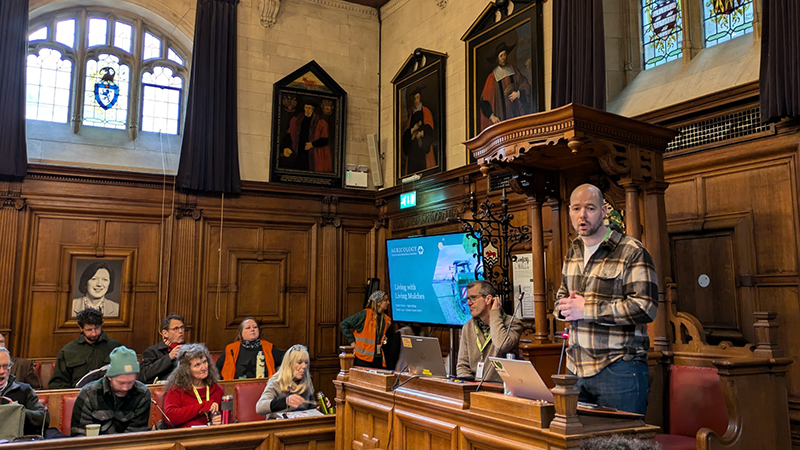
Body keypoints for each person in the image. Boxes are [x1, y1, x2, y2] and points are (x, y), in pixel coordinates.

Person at [555, 184, 658, 415]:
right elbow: (562, 296)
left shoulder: (631, 251)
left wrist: (586, 309)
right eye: (576, 208)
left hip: (619, 367)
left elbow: (646, 308)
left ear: (603, 211)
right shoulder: (573, 251)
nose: (582, 215)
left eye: (590, 208)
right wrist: (563, 308)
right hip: (576, 369)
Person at [70, 346, 151, 436]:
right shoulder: (89, 393)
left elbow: (136, 434)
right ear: (109, 377)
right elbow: (79, 434)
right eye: (121, 383)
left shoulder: (142, 393)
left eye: (130, 382)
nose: (125, 388)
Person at [456, 280, 524, 382]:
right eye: (468, 299)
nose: (469, 303)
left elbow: (502, 345)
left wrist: (495, 312)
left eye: (473, 298)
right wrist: (468, 387)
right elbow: (462, 366)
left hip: (500, 390)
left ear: (488, 299)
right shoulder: (468, 327)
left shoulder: (513, 323)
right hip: (474, 388)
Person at [49, 308, 123, 389]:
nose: (94, 333)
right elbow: (56, 383)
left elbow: (126, 374)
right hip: (78, 396)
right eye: (89, 330)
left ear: (102, 325)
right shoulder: (68, 351)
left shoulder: (115, 347)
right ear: (81, 328)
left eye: (97, 328)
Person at [255, 344, 327, 419]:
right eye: (299, 362)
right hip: (278, 427)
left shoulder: (306, 381)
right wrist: (285, 401)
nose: (304, 366)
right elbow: (259, 407)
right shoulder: (276, 381)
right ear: (289, 364)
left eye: (306, 362)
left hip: (300, 426)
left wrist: (320, 407)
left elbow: (310, 408)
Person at [163, 343, 224, 428]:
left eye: (205, 362)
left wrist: (220, 420)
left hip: (212, 436)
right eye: (197, 365)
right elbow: (170, 417)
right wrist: (203, 407)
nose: (204, 368)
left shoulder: (216, 389)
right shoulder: (176, 389)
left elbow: (226, 418)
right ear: (186, 370)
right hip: (186, 437)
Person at [479, 41, 533, 132]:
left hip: (516, 113)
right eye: (501, 56)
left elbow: (525, 84)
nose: (504, 58)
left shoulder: (514, 71)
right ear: (497, 58)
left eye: (505, 55)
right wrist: (492, 116)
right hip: (501, 117)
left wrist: (518, 94)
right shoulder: (492, 77)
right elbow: (484, 100)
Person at [0, 347, 49, 436]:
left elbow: (43, 418)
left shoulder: (24, 390)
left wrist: (19, 411)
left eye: (5, 366)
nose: (2, 371)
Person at [216, 317, 284, 380]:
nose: (252, 329)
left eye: (255, 327)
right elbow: (216, 369)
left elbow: (286, 361)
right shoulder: (231, 349)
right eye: (248, 328)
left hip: (265, 387)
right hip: (234, 388)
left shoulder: (269, 347)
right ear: (241, 332)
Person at [340, 290, 392, 368]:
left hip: (378, 358)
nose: (388, 302)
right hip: (362, 357)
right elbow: (344, 324)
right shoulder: (364, 314)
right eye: (385, 300)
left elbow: (381, 339)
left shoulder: (386, 319)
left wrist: (384, 340)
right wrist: (352, 342)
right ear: (378, 302)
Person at [280, 100, 333, 172]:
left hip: (313, 152)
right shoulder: (296, 120)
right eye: (306, 108)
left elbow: (325, 140)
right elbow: (289, 135)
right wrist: (286, 147)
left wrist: (312, 144)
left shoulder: (321, 123)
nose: (307, 110)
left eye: (309, 108)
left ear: (313, 110)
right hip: (298, 150)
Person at [139, 314, 185, 384]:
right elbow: (144, 375)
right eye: (176, 329)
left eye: (182, 327)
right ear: (165, 333)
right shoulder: (152, 351)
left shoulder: (189, 350)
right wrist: (169, 357)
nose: (181, 331)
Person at [401, 87, 436, 176]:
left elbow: (430, 128)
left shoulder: (426, 111)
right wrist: (412, 130)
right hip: (413, 153)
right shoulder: (411, 115)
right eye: (414, 99)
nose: (415, 101)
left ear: (420, 98)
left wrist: (421, 133)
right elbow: (406, 132)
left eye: (417, 98)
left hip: (423, 151)